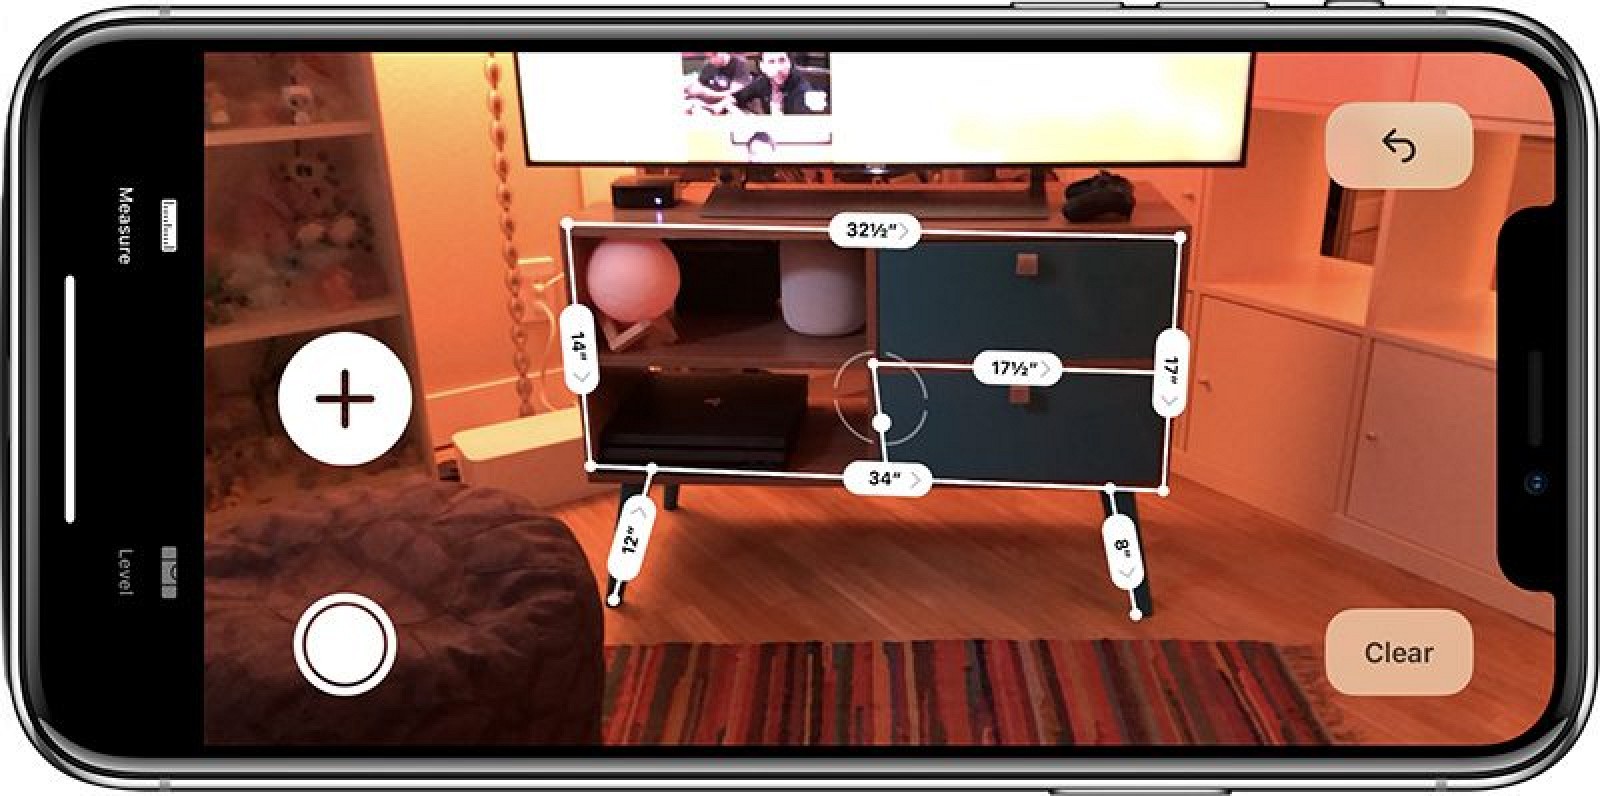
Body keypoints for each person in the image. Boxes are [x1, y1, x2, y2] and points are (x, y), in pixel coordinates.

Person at [715, 52, 824, 115]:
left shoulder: (801, 90)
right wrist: (726, 105)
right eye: (771, 62)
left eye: (782, 60)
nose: (778, 68)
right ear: (763, 67)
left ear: (790, 63)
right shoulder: (764, 81)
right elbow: (738, 96)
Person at [683, 52, 751, 110]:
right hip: (713, 99)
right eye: (708, 57)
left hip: (735, 100)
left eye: (713, 56)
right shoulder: (710, 64)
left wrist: (704, 92)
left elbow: (731, 94)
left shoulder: (739, 63)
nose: (710, 60)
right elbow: (699, 83)